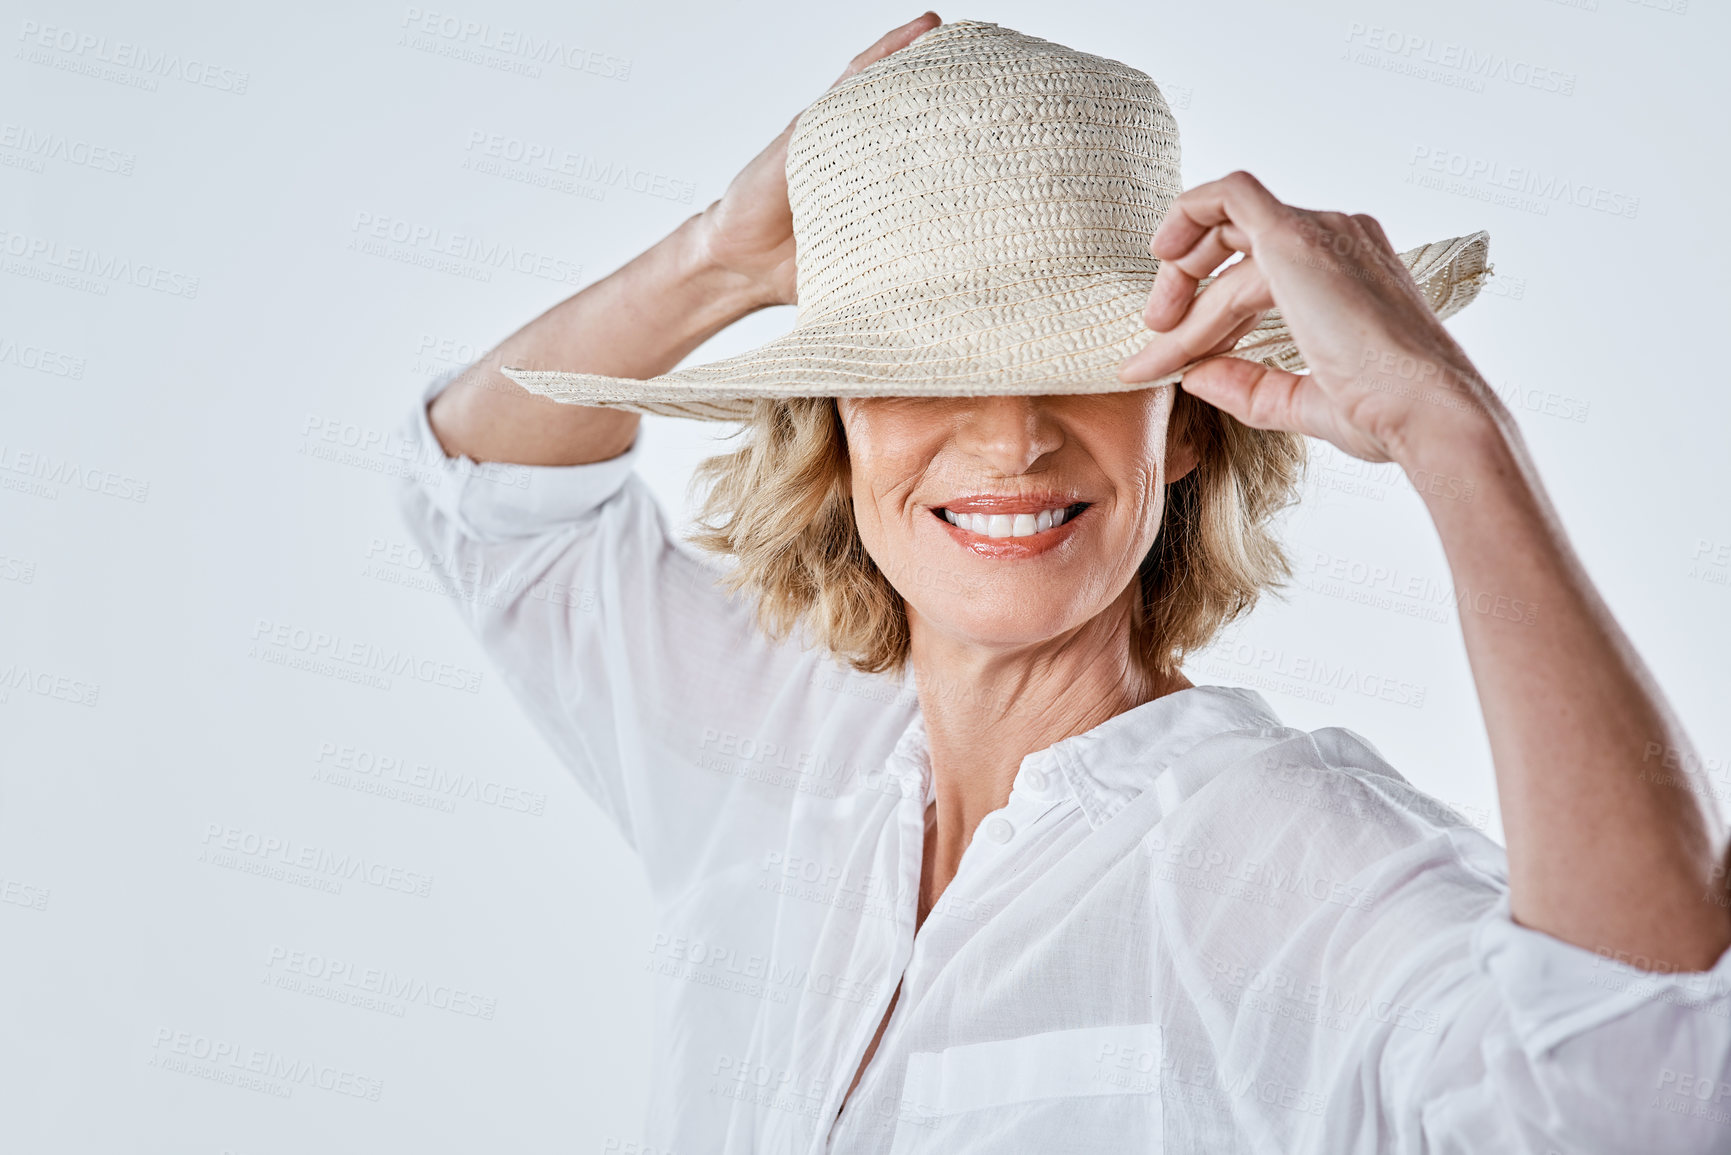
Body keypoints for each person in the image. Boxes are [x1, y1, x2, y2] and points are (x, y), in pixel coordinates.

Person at [396, 14, 1731, 1153]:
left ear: (1189, 417)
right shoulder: (769, 751)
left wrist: (1455, 433)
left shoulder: (1271, 851)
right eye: (921, 370)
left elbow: (1639, 1088)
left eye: (1083, 364)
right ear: (837, 419)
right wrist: (723, 260)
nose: (1011, 439)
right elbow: (485, 489)